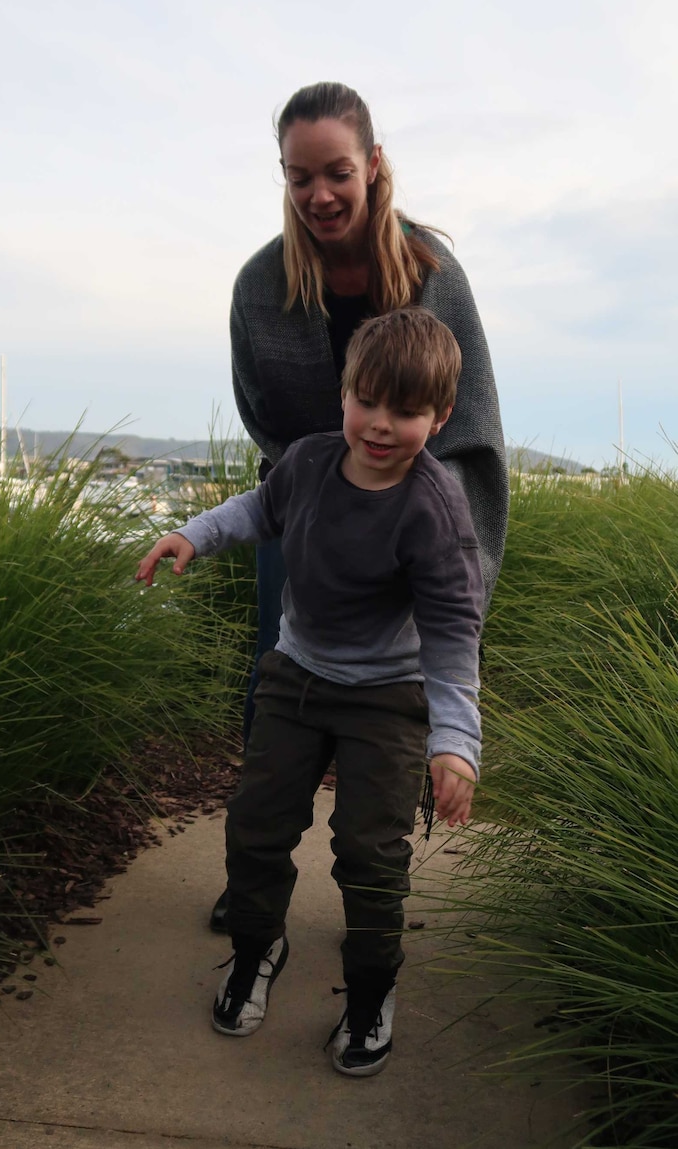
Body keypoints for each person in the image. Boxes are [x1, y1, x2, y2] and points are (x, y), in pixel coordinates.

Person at [137, 307, 484, 1077]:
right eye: (369, 401)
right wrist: (193, 533)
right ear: (345, 392)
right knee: (256, 826)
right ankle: (257, 950)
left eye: (407, 410)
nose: (382, 425)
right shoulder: (307, 461)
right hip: (297, 673)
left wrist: (455, 743)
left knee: (370, 852)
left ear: (442, 415)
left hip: (387, 693)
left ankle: (369, 992)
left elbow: (455, 636)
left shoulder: (434, 508)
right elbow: (258, 509)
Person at [209, 79, 508, 933]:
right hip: (305, 505)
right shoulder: (260, 284)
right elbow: (260, 408)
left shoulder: (433, 275)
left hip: (415, 516)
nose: (319, 195)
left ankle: (378, 864)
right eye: (298, 177)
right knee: (276, 680)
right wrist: (321, 481)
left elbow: (471, 415)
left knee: (398, 694)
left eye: (336, 171)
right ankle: (254, 868)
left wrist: (420, 524)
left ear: (374, 165)